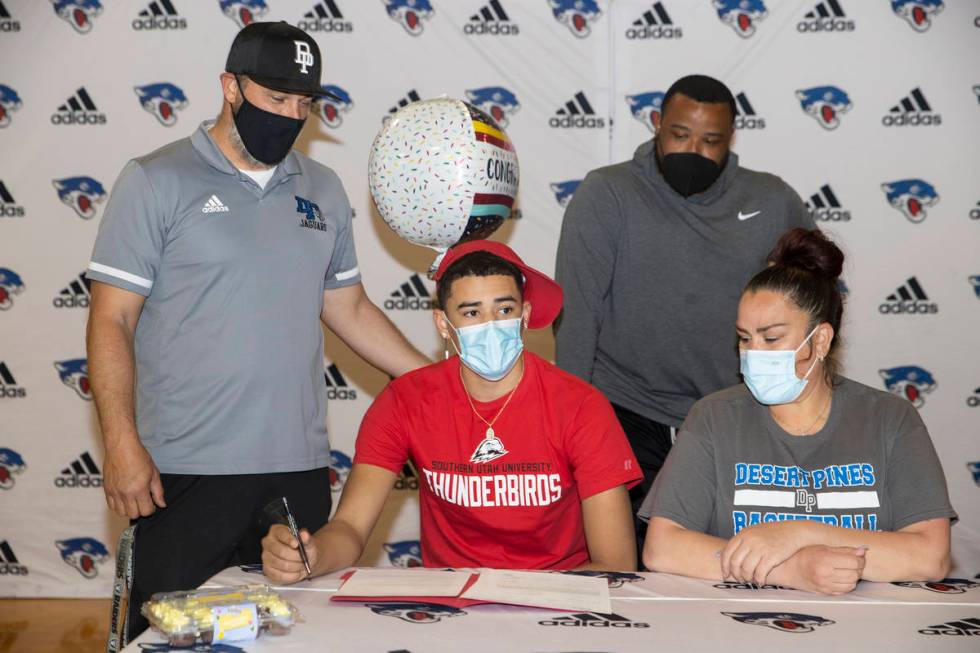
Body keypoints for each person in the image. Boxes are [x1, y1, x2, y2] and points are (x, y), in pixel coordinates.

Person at [85, 22, 428, 638]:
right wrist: (120, 442)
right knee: (164, 637)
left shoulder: (322, 189)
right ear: (230, 88)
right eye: (276, 99)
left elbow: (347, 308)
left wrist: (436, 382)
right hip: (183, 472)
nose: (291, 115)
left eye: (304, 104)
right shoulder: (154, 180)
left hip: (295, 471)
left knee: (294, 638)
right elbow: (111, 318)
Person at [262, 240, 641, 582]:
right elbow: (350, 528)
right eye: (471, 313)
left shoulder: (581, 406)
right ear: (444, 324)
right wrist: (311, 555)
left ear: (525, 315)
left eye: (504, 309)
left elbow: (616, 563)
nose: (491, 326)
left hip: (554, 602)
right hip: (450, 606)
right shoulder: (405, 400)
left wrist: (519, 599)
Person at [554, 74, 816, 556]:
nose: (693, 149)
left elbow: (813, 304)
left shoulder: (773, 201)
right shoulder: (607, 193)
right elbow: (577, 315)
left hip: (734, 416)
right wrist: (570, 430)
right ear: (656, 125)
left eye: (710, 140)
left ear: (731, 139)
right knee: (622, 565)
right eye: (679, 135)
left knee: (734, 563)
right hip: (626, 411)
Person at [638, 228, 956, 594]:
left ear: (820, 339)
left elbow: (930, 556)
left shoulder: (890, 419)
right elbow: (662, 548)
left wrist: (800, 532)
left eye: (771, 338)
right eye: (744, 338)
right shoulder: (714, 417)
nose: (752, 353)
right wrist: (790, 569)